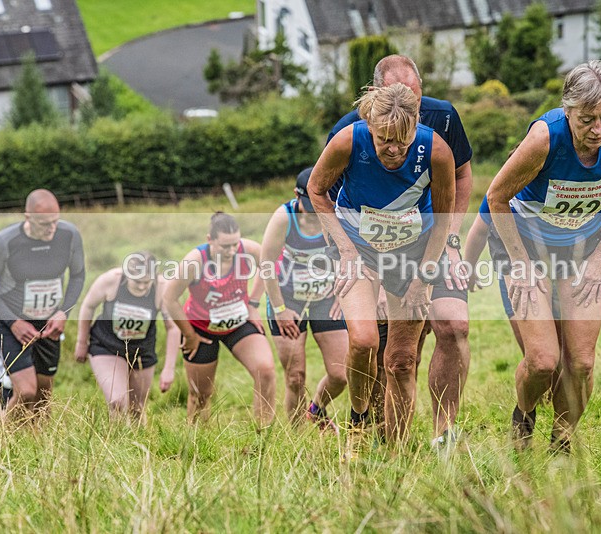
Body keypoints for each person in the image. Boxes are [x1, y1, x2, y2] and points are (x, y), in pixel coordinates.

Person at [486, 60, 601, 453]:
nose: (598, 130)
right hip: (527, 247)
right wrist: (520, 264)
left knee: (581, 363)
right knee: (542, 360)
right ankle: (523, 419)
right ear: (567, 110)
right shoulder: (544, 138)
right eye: (587, 119)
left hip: (584, 250)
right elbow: (495, 197)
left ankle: (562, 442)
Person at [328, 55, 472, 447]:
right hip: (362, 245)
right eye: (384, 139)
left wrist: (434, 266)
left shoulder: (439, 135)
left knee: (402, 359)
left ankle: (401, 452)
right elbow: (322, 193)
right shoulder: (348, 133)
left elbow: (449, 204)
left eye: (414, 96)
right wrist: (345, 256)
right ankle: (363, 421)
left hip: (414, 247)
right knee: (366, 343)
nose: (406, 106)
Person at [0, 189, 85, 420]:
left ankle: (36, 444)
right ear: (28, 217)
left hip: (48, 323)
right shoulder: (6, 242)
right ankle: (4, 436)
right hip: (13, 322)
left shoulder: (69, 235)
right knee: (26, 391)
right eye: (44, 223)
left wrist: (63, 313)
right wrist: (13, 322)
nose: (51, 229)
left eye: (55, 221)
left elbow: (78, 275)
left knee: (43, 396)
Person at [162, 212, 276, 427]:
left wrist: (253, 304)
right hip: (200, 330)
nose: (232, 251)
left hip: (238, 323)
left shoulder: (248, 249)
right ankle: (196, 445)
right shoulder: (194, 262)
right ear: (210, 240)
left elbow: (268, 267)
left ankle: (264, 437)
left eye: (235, 244)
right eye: (225, 246)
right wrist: (189, 335)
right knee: (200, 395)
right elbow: (169, 299)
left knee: (266, 372)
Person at [255, 167, 348, 430]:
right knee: (296, 378)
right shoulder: (284, 218)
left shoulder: (336, 214)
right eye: (309, 203)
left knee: (341, 374)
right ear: (296, 196)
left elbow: (351, 256)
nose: (314, 209)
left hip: (324, 300)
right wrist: (280, 309)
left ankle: (316, 409)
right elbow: (266, 265)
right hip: (287, 301)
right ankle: (298, 439)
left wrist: (342, 295)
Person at [74, 252, 180, 421]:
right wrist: (81, 341)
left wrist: (169, 369)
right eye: (137, 281)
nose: (141, 287)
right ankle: (113, 444)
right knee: (118, 402)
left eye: (147, 282)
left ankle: (138, 445)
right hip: (106, 345)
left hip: (142, 351)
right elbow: (88, 306)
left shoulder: (162, 288)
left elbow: (173, 328)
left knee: (137, 408)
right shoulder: (111, 280)